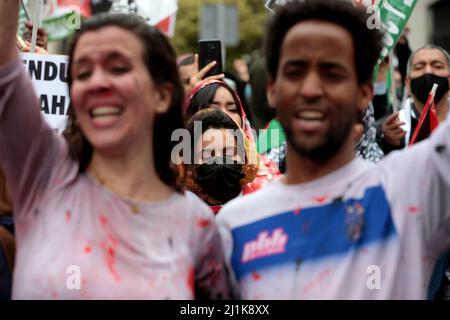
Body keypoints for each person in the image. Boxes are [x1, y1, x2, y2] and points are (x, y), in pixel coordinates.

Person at [216, 0, 450, 299]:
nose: (311, 89)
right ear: (272, 90)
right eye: (296, 72)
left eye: (332, 73)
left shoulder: (409, 191)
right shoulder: (235, 226)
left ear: (364, 92)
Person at [0, 3, 234, 299]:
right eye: (82, 73)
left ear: (162, 95)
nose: (97, 83)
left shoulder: (196, 226)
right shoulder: (44, 178)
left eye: (118, 68)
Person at [185, 79, 281, 194]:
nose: (224, 115)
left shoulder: (269, 182)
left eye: (232, 109)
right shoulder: (172, 190)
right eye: (213, 109)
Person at [184, 109, 258, 214]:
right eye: (208, 155)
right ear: (190, 165)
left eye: (228, 152)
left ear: (245, 157)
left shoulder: (263, 203)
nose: (219, 160)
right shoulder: (181, 212)